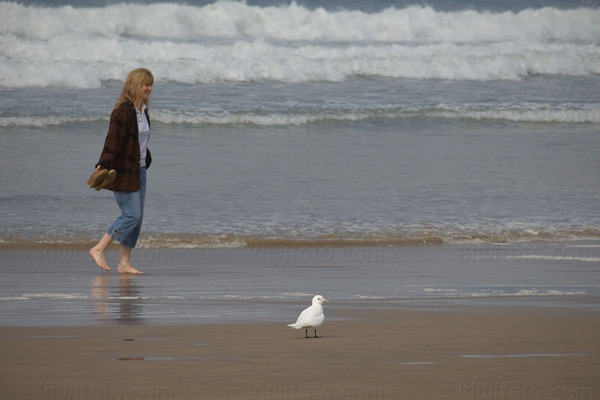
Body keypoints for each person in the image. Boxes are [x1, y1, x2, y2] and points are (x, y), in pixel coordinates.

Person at [89, 68, 154, 274]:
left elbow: (137, 140)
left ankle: (124, 263)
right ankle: (99, 248)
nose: (150, 88)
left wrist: (146, 157)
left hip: (139, 170)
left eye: (151, 84)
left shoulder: (142, 109)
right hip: (124, 171)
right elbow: (112, 141)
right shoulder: (123, 111)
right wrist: (103, 165)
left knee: (138, 219)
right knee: (131, 215)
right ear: (136, 85)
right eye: (146, 85)